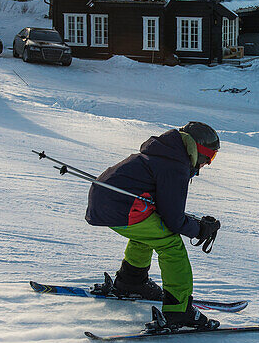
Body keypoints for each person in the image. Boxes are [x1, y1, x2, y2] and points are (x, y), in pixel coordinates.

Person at [85, 122, 222, 329]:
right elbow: (173, 220)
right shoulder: (175, 165)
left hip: (107, 204)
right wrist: (200, 230)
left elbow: (165, 210)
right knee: (170, 244)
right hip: (123, 207)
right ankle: (179, 311)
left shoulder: (163, 154)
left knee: (149, 232)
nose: (208, 163)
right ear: (198, 150)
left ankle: (131, 282)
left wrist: (196, 225)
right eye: (210, 157)